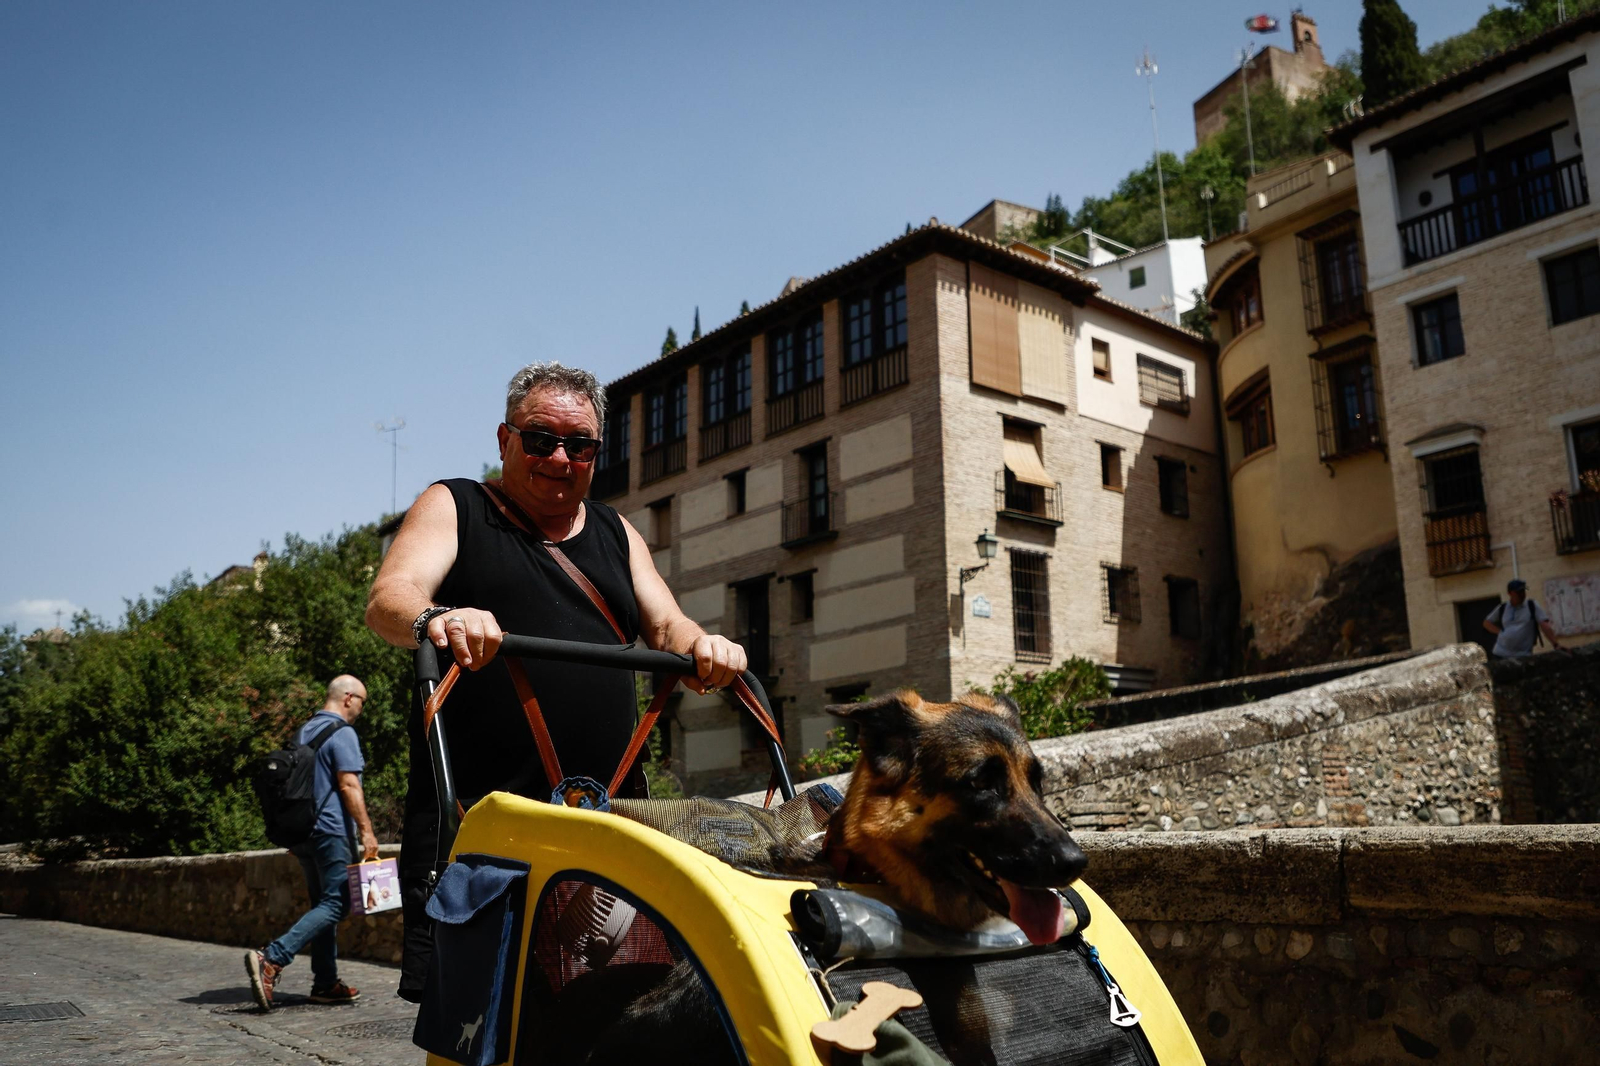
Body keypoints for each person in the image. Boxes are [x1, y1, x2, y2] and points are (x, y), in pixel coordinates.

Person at [364, 360, 747, 1002]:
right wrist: (440, 616)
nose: (559, 457)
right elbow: (389, 599)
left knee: (619, 1012)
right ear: (504, 439)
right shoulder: (454, 505)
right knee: (487, 1022)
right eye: (540, 439)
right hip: (486, 831)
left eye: (580, 445)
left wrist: (704, 645)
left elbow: (667, 625)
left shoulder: (616, 531)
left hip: (608, 827)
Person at [245, 675, 379, 1010]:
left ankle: (325, 982)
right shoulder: (343, 733)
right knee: (338, 904)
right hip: (331, 831)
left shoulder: (303, 731)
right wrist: (367, 831)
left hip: (303, 834)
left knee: (324, 904)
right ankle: (272, 958)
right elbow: (349, 785)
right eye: (363, 701)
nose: (362, 709)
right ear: (348, 698)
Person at [1483, 578, 1563, 659]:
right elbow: (1487, 623)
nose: (1522, 595)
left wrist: (1555, 644)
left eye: (1523, 591)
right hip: (1500, 653)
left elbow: (1545, 625)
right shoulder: (1503, 608)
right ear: (1510, 593)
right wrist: (1500, 633)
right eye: (1518, 592)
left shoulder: (1531, 605)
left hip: (1523, 655)